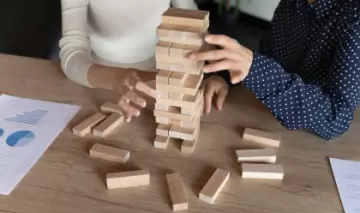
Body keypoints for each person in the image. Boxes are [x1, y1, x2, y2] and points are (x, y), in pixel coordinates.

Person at [190, 0, 360, 140]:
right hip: (266, 123)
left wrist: (254, 68)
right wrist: (228, 77)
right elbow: (268, 58)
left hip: (312, 142)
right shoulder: (289, 5)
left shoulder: (354, 17)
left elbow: (336, 116)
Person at [59, 0, 199, 122]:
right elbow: (72, 52)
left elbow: (196, 28)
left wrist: (215, 75)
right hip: (99, 84)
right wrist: (113, 78)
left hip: (159, 83)